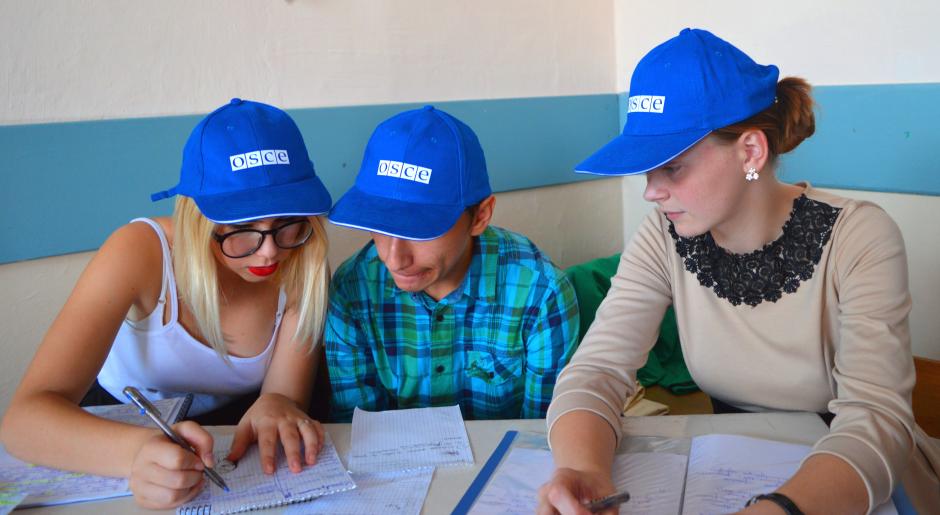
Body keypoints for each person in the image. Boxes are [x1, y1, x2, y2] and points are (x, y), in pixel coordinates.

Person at [538, 29, 940, 515]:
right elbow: (597, 370)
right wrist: (583, 469)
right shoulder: (664, 234)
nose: (651, 191)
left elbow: (876, 421)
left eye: (672, 167)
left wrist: (778, 509)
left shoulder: (858, 236)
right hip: (727, 472)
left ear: (750, 151)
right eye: (647, 169)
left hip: (858, 481)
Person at [0, 98, 334, 509]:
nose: (269, 252)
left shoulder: (303, 260)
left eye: (288, 223)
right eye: (242, 227)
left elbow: (281, 395)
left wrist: (278, 405)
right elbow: (23, 422)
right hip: (112, 429)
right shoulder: (139, 250)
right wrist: (135, 453)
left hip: (229, 440)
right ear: (198, 217)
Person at [325, 105, 579, 422]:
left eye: (421, 231)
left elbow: (543, 433)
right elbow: (358, 429)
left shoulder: (541, 293)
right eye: (380, 226)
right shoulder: (352, 290)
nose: (394, 259)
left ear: (480, 216)